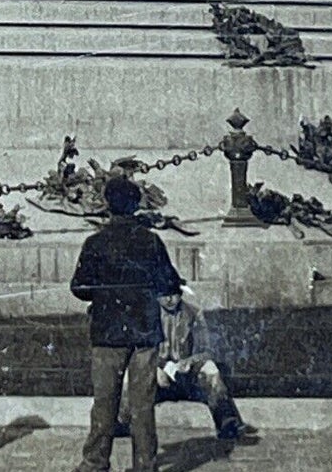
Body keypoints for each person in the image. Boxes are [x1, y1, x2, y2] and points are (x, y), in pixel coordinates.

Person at [70, 176, 183, 472]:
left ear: (107, 204)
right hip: (144, 330)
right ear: (136, 205)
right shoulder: (151, 241)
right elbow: (169, 283)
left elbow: (79, 288)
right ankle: (145, 464)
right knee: (142, 404)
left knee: (104, 402)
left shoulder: (95, 243)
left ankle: (94, 462)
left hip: (107, 332)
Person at [115, 286, 257, 449]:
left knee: (210, 369)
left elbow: (207, 350)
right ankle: (121, 421)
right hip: (158, 370)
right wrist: (159, 366)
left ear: (181, 293)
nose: (169, 299)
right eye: (164, 295)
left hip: (187, 374)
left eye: (173, 294)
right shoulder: (147, 315)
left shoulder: (194, 313)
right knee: (131, 375)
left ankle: (227, 423)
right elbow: (139, 350)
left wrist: (190, 361)